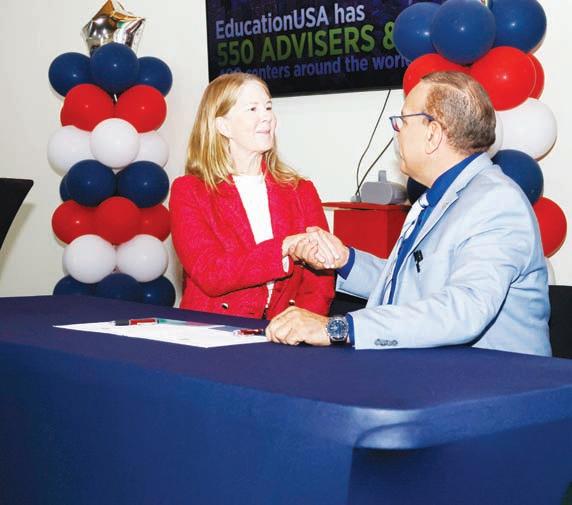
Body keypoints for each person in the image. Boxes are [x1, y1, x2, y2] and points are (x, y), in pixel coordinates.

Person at [267, 71, 551, 356]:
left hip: (493, 380)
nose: (397, 131)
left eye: (402, 121)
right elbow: (408, 287)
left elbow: (464, 309)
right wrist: (343, 261)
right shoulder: (440, 197)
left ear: (433, 134)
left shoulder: (496, 202)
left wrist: (338, 328)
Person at [169, 72, 334, 319]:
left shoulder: (301, 190)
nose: (266, 116)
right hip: (213, 330)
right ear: (223, 126)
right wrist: (283, 247)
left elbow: (320, 280)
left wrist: (301, 325)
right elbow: (211, 273)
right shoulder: (189, 191)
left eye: (268, 107)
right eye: (253, 109)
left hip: (286, 333)